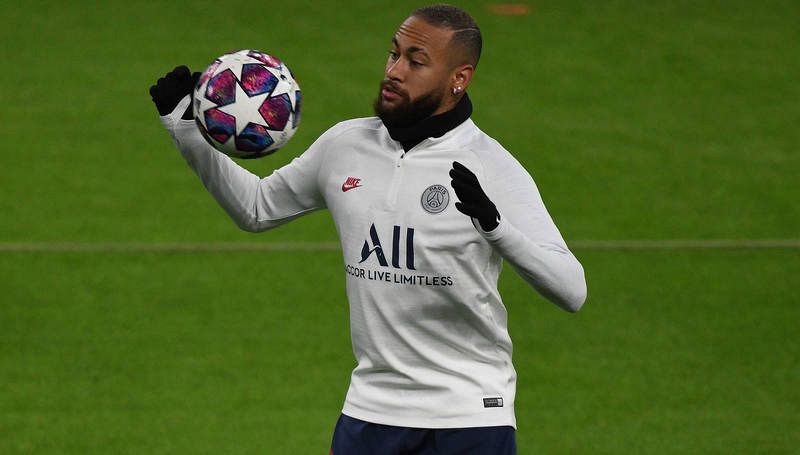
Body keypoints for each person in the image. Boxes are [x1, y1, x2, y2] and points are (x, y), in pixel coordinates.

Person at [150, 4, 586, 454]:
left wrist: (496, 227)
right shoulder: (346, 145)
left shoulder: (490, 167)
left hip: (470, 415)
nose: (394, 71)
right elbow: (257, 208)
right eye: (393, 54)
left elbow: (572, 290)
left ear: (459, 78)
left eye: (416, 62)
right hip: (371, 411)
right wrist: (187, 132)